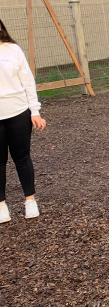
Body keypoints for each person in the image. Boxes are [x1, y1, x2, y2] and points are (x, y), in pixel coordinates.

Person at [0, 19, 46, 223]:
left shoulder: (13, 50)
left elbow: (27, 81)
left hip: (18, 112)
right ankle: (1, 205)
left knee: (22, 157)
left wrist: (34, 111)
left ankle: (30, 201)